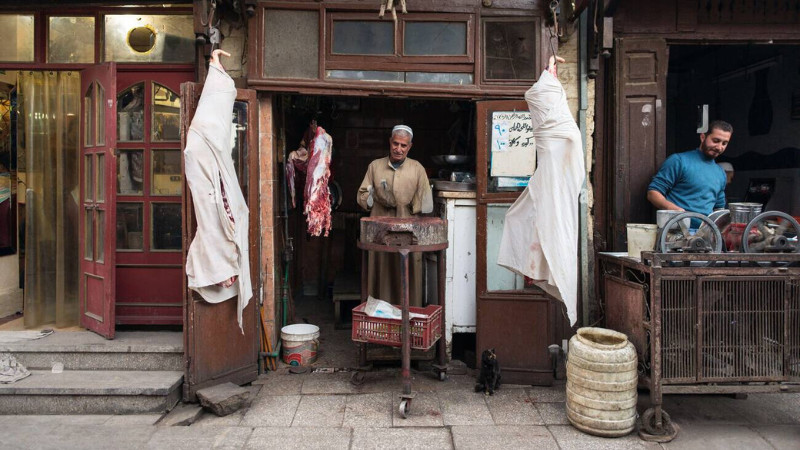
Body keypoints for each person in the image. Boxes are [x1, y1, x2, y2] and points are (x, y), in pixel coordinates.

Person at [356, 125, 433, 306]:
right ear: (390, 143)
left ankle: (408, 316)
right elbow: (362, 194)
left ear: (410, 146)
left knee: (407, 271)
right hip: (379, 227)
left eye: (403, 145)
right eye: (396, 144)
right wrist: (371, 198)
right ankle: (381, 319)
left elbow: (425, 201)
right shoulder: (375, 166)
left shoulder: (417, 168)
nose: (399, 149)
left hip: (408, 228)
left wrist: (408, 204)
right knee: (381, 269)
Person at [647, 120, 733, 215]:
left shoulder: (720, 173)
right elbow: (653, 193)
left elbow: (719, 209)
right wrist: (672, 209)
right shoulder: (678, 161)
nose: (719, 147)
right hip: (676, 227)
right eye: (716, 141)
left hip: (706, 229)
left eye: (724, 143)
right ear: (703, 137)